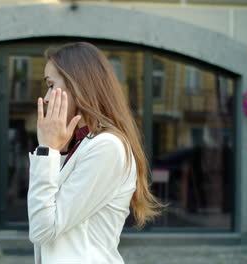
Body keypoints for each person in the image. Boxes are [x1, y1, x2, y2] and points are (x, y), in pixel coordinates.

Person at [27, 42, 166, 263]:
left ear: (78, 85)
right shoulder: (83, 143)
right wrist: (59, 150)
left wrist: (47, 150)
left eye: (51, 85)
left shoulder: (107, 146)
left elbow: (42, 229)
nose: (46, 96)